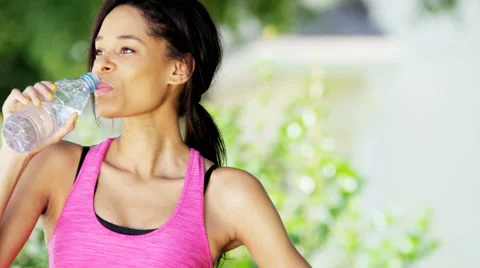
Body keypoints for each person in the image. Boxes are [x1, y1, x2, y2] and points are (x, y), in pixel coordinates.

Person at [0, 0, 312, 267]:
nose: (101, 66)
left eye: (125, 49)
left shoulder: (225, 194)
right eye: (99, 51)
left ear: (178, 69)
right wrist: (14, 149)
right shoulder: (58, 168)